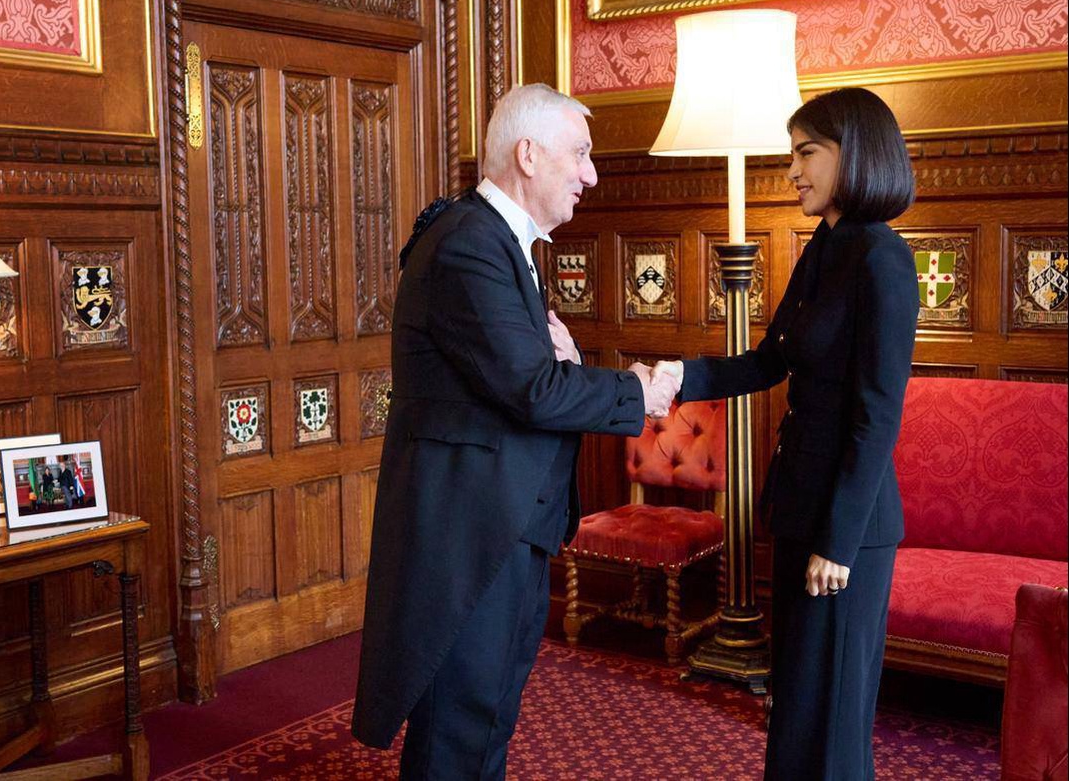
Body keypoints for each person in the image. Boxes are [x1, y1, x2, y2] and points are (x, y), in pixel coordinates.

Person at [351, 83, 679, 778]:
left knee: (486, 718)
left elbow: (524, 379)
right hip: (468, 537)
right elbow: (533, 390)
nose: (591, 174)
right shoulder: (470, 244)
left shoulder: (500, 242)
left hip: (503, 527)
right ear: (528, 155)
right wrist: (636, 391)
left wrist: (571, 368)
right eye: (580, 154)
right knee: (457, 731)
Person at [655, 87, 918, 779]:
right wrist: (679, 376)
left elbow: (877, 415)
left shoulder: (883, 258)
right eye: (792, 154)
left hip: (847, 531)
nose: (793, 170)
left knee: (833, 716)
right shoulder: (822, 247)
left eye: (806, 153)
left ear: (853, 154)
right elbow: (769, 360)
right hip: (801, 506)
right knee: (797, 704)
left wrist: (838, 542)